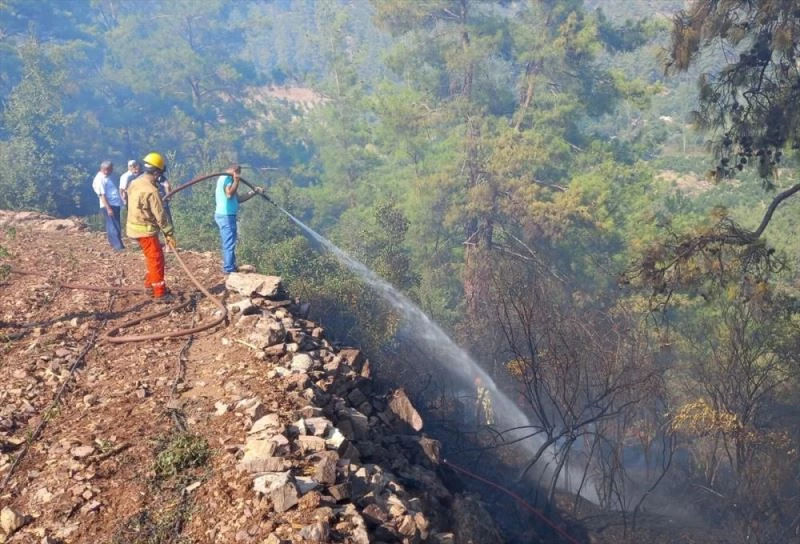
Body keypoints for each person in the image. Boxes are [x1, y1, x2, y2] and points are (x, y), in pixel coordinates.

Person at [126, 152, 177, 302]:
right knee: (156, 259)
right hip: (144, 230)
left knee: (151, 257)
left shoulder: (135, 182)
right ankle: (160, 292)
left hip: (133, 227)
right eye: (159, 173)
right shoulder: (152, 190)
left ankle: (150, 285)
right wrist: (169, 234)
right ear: (156, 172)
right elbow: (160, 216)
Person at [214, 164, 262, 274]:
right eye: (238, 173)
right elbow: (229, 194)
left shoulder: (226, 179)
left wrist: (254, 192)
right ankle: (228, 269)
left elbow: (238, 199)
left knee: (230, 242)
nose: (239, 175)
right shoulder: (227, 178)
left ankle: (231, 265)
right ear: (235, 171)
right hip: (226, 216)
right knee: (229, 243)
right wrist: (236, 181)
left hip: (227, 216)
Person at [91, 160, 125, 251]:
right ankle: (117, 246)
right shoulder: (99, 179)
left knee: (116, 224)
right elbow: (102, 195)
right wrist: (108, 208)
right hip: (109, 205)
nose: (111, 171)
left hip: (115, 204)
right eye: (110, 169)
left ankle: (118, 244)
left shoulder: (106, 178)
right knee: (113, 225)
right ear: (105, 169)